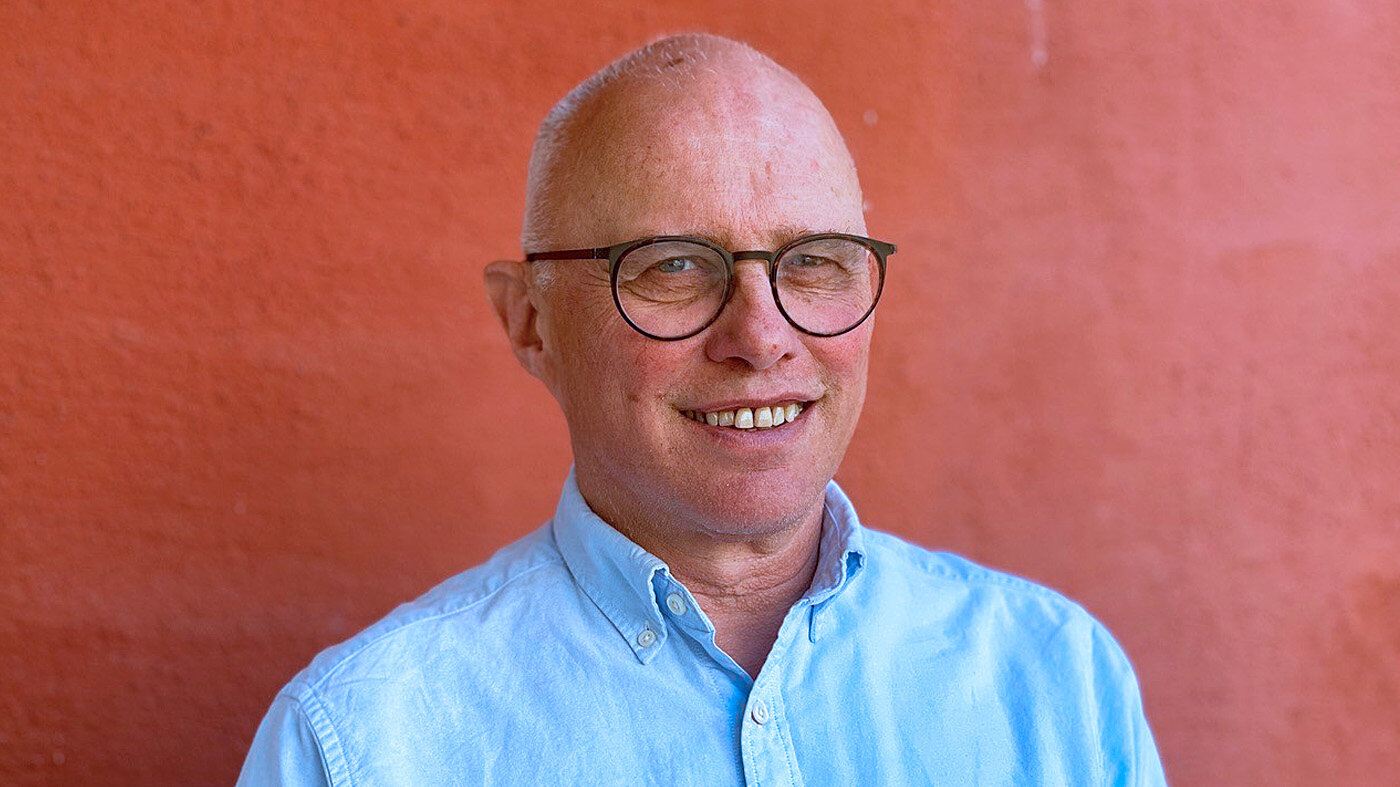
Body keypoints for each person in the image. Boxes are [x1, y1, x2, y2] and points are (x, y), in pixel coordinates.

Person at [238, 34, 1167, 785]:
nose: (761, 337)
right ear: (530, 323)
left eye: (814, 260)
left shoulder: (1059, 686)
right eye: (675, 265)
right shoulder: (361, 745)